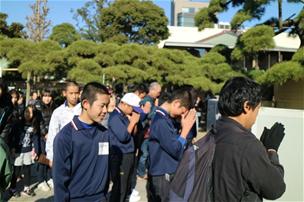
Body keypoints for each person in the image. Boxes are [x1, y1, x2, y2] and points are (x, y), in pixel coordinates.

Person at [212, 76, 286, 201]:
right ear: (247, 106)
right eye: (258, 108)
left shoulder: (213, 132)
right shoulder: (247, 145)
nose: (257, 114)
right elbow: (276, 189)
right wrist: (272, 152)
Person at [53, 82, 111, 202]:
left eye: (107, 105)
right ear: (85, 104)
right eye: (102, 106)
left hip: (101, 198)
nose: (105, 110)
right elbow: (59, 179)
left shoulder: (104, 134)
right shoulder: (65, 136)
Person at [147, 88, 196, 202]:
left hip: (166, 172)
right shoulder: (161, 121)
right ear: (176, 103)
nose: (182, 115)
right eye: (183, 111)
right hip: (163, 174)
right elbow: (175, 150)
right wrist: (185, 130)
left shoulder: (166, 119)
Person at [108, 93, 142, 202]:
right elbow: (123, 137)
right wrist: (132, 122)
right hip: (120, 155)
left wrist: (134, 123)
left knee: (126, 185)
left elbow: (133, 134)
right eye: (133, 108)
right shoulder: (115, 117)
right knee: (120, 187)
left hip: (128, 154)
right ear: (124, 104)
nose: (134, 112)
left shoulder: (124, 116)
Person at [46, 81, 81, 166]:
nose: (74, 96)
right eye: (71, 93)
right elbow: (52, 134)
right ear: (64, 93)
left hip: (81, 152)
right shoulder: (58, 112)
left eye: (76, 93)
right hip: (63, 153)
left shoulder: (84, 110)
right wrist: (51, 156)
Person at [137, 82, 161, 179]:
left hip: (148, 132)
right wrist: (155, 108)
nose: (159, 94)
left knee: (146, 153)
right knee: (144, 154)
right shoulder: (147, 101)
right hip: (145, 132)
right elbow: (147, 115)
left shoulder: (152, 100)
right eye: (158, 92)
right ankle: (141, 172)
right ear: (152, 90)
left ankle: (143, 170)